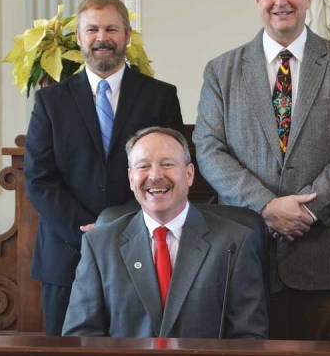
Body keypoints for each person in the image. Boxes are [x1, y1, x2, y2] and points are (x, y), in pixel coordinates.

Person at [192, 0, 330, 341]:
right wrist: (265, 206)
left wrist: (309, 209)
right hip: (244, 250)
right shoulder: (222, 70)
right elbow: (208, 148)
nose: (281, 0)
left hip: (326, 252)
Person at [24, 0, 184, 336]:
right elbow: (38, 178)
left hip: (140, 247)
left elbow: (171, 172)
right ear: (79, 38)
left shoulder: (161, 96)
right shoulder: (50, 102)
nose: (102, 38)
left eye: (111, 29)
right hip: (66, 255)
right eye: (92, 29)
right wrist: (88, 228)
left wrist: (118, 225)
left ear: (127, 35)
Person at [62, 127, 267, 338]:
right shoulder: (99, 245)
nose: (156, 175)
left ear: (189, 174)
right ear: (131, 179)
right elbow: (80, 339)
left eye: (167, 164)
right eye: (143, 166)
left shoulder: (234, 242)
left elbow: (249, 338)